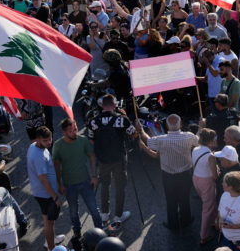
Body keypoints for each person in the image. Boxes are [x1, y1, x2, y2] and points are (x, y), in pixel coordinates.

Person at [137, 113, 199, 229]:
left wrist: (140, 129)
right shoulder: (189, 136)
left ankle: (173, 223)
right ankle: (186, 220)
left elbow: (147, 140)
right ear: (180, 124)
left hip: (168, 176)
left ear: (167, 125)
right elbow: (199, 141)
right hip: (186, 174)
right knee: (185, 198)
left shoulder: (161, 140)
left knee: (171, 200)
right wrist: (201, 127)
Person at [52, 118, 103, 239]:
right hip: (69, 185)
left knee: (94, 210)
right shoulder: (58, 145)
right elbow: (56, 166)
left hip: (85, 181)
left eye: (75, 128)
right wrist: (60, 184)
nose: (75, 132)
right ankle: (77, 232)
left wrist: (94, 176)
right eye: (71, 131)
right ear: (64, 132)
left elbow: (91, 156)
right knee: (73, 212)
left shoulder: (83, 140)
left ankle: (100, 232)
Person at [88, 94, 134, 225]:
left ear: (102, 105)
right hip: (119, 159)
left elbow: (91, 140)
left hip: (103, 160)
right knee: (120, 186)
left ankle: (104, 213)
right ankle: (118, 216)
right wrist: (125, 116)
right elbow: (134, 134)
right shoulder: (122, 119)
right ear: (115, 105)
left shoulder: (93, 121)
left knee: (105, 185)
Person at [192, 128, 218, 244]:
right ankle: (204, 236)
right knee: (207, 208)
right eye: (215, 138)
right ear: (211, 141)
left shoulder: (195, 149)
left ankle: (213, 221)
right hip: (206, 182)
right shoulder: (211, 156)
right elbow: (215, 176)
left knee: (208, 203)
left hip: (196, 179)